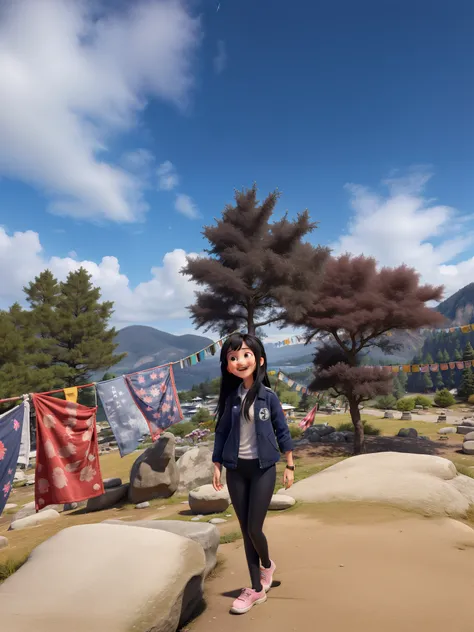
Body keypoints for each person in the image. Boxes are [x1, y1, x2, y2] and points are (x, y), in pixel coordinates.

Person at [212, 333, 295, 615]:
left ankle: (267, 565)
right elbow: (222, 432)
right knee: (245, 531)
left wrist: (290, 464)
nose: (240, 361)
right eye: (233, 358)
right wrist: (217, 464)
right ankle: (256, 589)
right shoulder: (232, 399)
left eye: (245, 355)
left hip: (263, 468)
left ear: (258, 360)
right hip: (236, 470)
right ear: (227, 365)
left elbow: (282, 431)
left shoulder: (268, 397)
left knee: (253, 528)